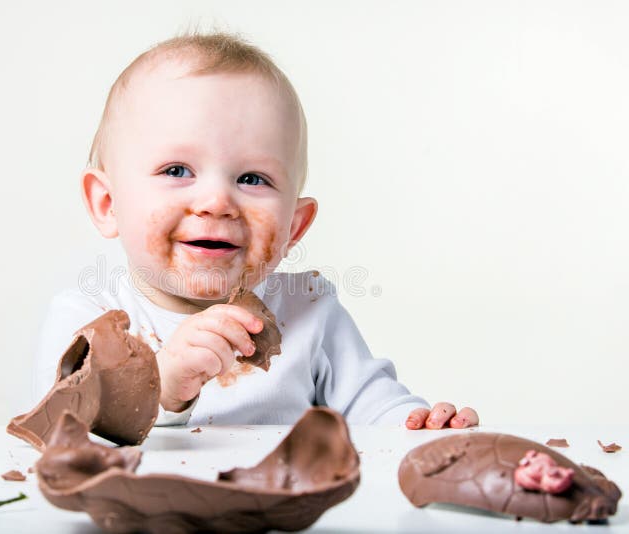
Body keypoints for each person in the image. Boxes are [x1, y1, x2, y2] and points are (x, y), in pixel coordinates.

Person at [32, 31, 479, 430]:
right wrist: (160, 385)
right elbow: (57, 430)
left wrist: (420, 428)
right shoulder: (88, 319)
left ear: (293, 227)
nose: (216, 202)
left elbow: (375, 409)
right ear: (108, 204)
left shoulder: (309, 314)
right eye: (177, 170)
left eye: (252, 178)